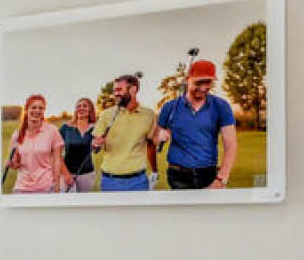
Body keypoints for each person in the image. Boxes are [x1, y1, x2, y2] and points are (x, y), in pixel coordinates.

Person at [153, 58, 238, 190]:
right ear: (188, 79)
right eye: (198, 83)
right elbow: (155, 140)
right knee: (181, 211)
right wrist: (159, 136)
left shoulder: (221, 106)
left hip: (208, 174)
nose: (203, 88)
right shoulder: (169, 108)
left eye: (208, 82)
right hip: (178, 176)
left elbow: (231, 145)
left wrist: (221, 178)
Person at [91, 73, 157, 191]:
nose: (115, 93)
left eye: (119, 89)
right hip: (110, 181)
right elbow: (95, 147)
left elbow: (151, 144)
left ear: (133, 90)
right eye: (114, 90)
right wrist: (96, 145)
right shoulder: (106, 115)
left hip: (138, 181)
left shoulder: (149, 115)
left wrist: (155, 171)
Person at [4, 94, 71, 193]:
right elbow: (16, 164)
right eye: (33, 107)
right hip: (22, 187)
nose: (37, 111)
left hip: (46, 186)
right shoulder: (17, 135)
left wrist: (57, 188)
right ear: (26, 110)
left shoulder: (52, 131)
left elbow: (57, 161)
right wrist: (11, 164)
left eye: (41, 108)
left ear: (44, 111)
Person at [57, 97, 98, 193]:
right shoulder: (66, 127)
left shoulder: (95, 128)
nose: (81, 108)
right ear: (75, 110)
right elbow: (56, 153)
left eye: (85, 106)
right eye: (78, 106)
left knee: (84, 205)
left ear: (90, 109)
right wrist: (65, 174)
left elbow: (96, 150)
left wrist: (97, 145)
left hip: (87, 175)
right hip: (67, 174)